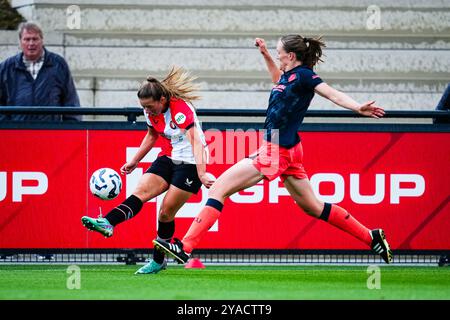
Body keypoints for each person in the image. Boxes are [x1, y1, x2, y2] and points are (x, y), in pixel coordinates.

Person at [153, 35, 393, 265]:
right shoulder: (288, 77)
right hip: (288, 149)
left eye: (279, 53)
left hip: (277, 151)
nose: (278, 57)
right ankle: (370, 237)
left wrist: (356, 107)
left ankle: (185, 248)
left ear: (290, 55)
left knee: (219, 188)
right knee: (313, 207)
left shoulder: (305, 77)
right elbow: (277, 79)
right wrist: (265, 54)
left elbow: (331, 94)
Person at [81, 66, 214, 274]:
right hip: (168, 157)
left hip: (190, 162)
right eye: (144, 107)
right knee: (140, 193)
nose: (148, 111)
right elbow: (152, 135)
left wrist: (202, 173)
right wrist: (135, 161)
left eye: (151, 106)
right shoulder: (150, 110)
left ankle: (158, 260)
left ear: (162, 100)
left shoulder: (180, 110)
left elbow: (196, 141)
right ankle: (107, 222)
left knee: (165, 212)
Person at [0, 22, 80, 121]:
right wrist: (6, 128)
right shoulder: (6, 67)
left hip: (50, 132)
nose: (31, 43)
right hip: (17, 132)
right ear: (20, 42)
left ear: (42, 40)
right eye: (27, 39)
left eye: (35, 39)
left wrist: (72, 129)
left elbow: (70, 100)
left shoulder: (58, 64)